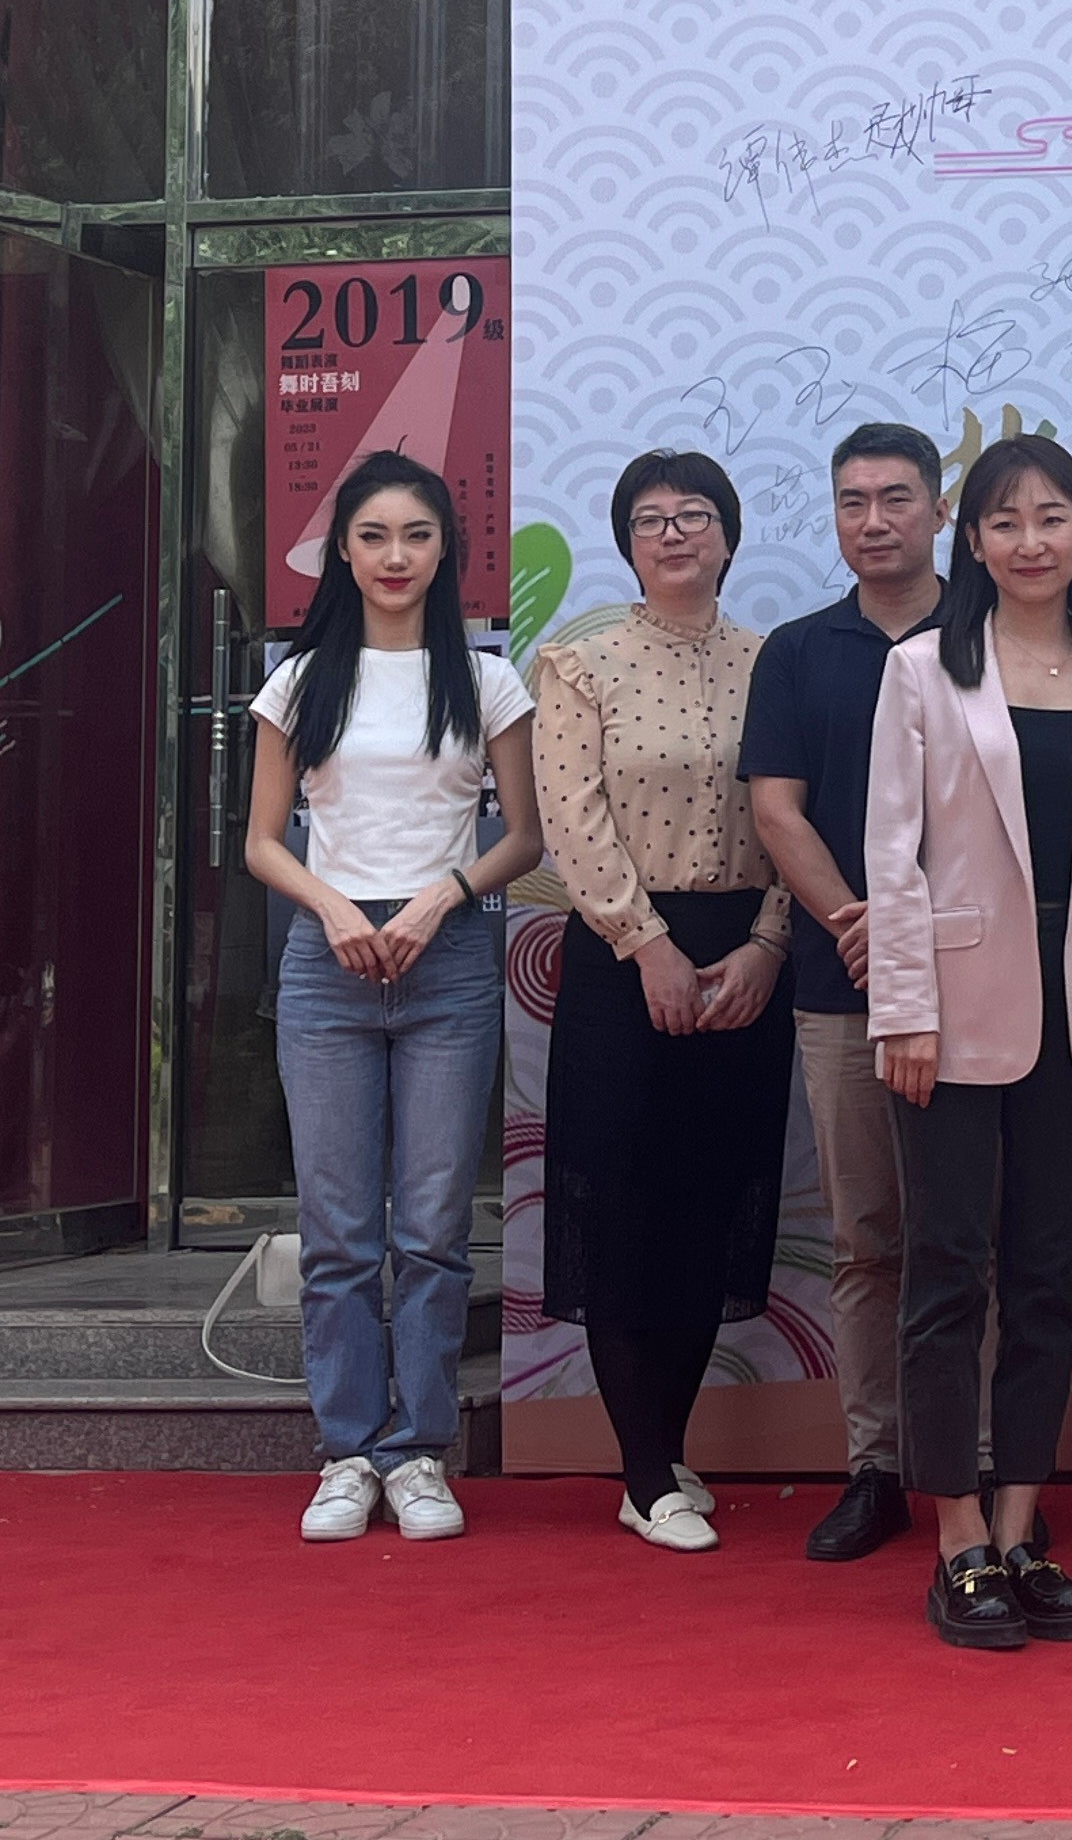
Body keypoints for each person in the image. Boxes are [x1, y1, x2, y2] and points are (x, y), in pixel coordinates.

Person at [867, 436, 1072, 1652]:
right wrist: (903, 1007)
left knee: (1049, 1281)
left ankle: (1019, 1528)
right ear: (973, 542)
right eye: (1005, 522)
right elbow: (892, 854)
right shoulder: (921, 670)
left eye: (1051, 518)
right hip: (948, 1008)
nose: (1030, 541)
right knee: (948, 1270)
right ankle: (956, 1539)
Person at [243, 452, 543, 1544]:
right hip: (328, 960)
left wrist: (439, 899)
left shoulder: (487, 679)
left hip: (446, 959)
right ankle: (345, 1452)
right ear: (342, 551)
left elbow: (524, 837)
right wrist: (334, 909)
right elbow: (261, 842)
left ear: (446, 549)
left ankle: (417, 1452)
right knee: (336, 1233)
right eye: (373, 535)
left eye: (416, 535)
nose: (395, 556)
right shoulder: (299, 679)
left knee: (430, 1231)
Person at [534, 449, 797, 1554]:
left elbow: (802, 812)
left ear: (729, 535)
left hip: (748, 955)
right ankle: (642, 1471)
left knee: (711, 1198)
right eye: (650, 519)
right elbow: (571, 817)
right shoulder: (579, 663)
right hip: (621, 957)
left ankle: (669, 1446)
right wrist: (647, 947)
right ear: (626, 544)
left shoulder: (775, 663)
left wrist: (768, 944)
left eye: (694, 514)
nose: (674, 532)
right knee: (622, 1203)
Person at [740, 421, 947, 1566]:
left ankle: (976, 1463)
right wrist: (862, 929)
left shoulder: (991, 633)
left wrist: (922, 936)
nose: (874, 520)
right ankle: (876, 1466)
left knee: (970, 1237)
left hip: (979, 985)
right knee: (868, 1239)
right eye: (853, 501)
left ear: (938, 510)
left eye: (896, 498)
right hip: (841, 982)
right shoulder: (798, 651)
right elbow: (777, 810)